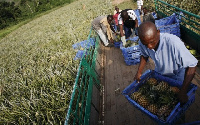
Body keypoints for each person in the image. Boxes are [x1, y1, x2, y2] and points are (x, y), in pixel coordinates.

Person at [135, 21, 198, 104]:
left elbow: (192, 65)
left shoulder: (173, 42)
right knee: (160, 101)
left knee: (176, 103)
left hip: (176, 76)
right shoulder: (143, 42)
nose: (149, 47)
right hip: (160, 74)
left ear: (158, 33)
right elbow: (144, 55)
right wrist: (139, 72)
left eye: (152, 42)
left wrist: (183, 91)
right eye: (145, 44)